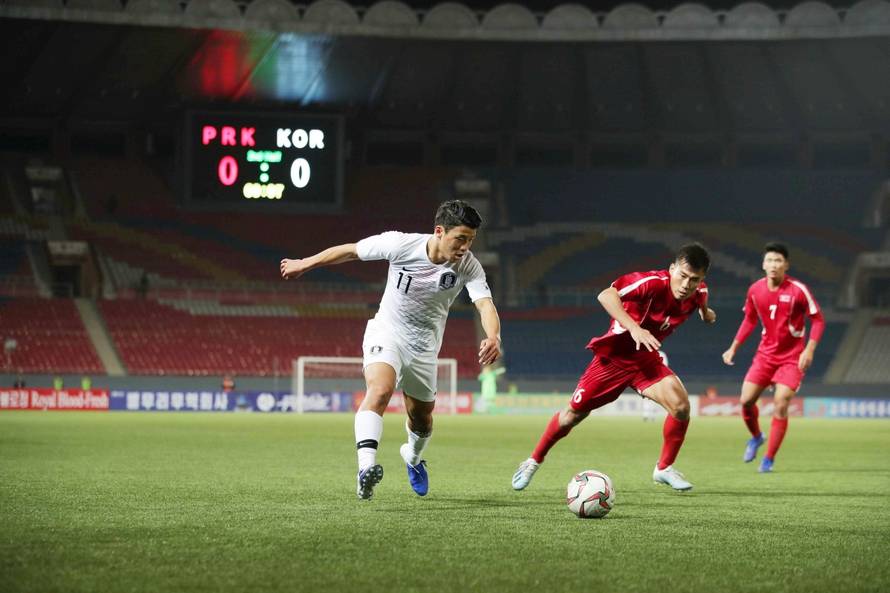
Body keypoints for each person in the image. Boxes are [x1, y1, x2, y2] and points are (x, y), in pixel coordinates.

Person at [280, 200, 501, 500]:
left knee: (422, 420)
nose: (465, 247)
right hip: (388, 331)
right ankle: (365, 470)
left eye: (470, 240)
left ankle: (411, 457)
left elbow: (485, 304)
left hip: (425, 347)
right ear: (439, 231)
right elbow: (351, 250)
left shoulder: (469, 266)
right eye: (460, 238)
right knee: (380, 390)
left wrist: (494, 336)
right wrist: (304, 263)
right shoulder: (400, 244)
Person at [512, 243, 716, 492]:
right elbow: (605, 295)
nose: (686, 285)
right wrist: (634, 327)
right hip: (613, 359)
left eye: (694, 280)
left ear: (702, 279)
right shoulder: (650, 282)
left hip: (645, 361)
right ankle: (532, 461)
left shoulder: (699, 291)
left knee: (681, 407)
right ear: (672, 269)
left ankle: (663, 469)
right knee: (573, 415)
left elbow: (701, 299)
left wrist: (706, 313)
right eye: (682, 276)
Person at [721, 242, 824, 473]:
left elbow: (817, 319)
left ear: (786, 265)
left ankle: (768, 459)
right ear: (763, 264)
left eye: (778, 260)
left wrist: (809, 349)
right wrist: (733, 347)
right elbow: (749, 320)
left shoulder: (798, 290)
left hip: (792, 357)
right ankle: (757, 437)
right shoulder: (755, 290)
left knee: (781, 403)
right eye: (769, 260)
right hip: (765, 355)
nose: (773, 265)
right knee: (746, 401)